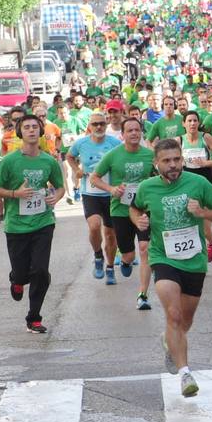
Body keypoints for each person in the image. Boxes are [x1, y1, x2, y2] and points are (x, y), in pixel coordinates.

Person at [131, 138, 212, 397]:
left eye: (177, 159)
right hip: (163, 257)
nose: (173, 165)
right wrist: (139, 221)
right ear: (156, 164)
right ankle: (185, 373)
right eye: (167, 161)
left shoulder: (198, 183)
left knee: (185, 320)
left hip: (194, 260)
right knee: (173, 315)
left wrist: (203, 213)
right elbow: (134, 208)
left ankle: (169, 342)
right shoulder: (147, 187)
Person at [0, 114, 66, 333]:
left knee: (41, 271)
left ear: (40, 132)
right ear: (20, 133)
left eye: (35, 127)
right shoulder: (10, 161)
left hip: (43, 222)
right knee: (22, 272)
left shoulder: (48, 160)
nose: (31, 130)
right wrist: (15, 193)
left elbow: (60, 187)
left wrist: (55, 198)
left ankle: (34, 317)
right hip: (16, 226)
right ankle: (17, 280)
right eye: (27, 127)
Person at [91, 117, 159, 310]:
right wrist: (111, 189)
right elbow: (94, 178)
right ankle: (126, 261)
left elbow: (161, 175)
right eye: (130, 130)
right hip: (120, 211)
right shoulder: (113, 155)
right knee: (128, 255)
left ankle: (143, 295)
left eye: (137, 130)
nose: (134, 133)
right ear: (123, 134)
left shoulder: (149, 155)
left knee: (145, 248)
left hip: (143, 210)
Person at [67, 113, 122, 284]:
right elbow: (69, 156)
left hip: (110, 193)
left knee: (111, 235)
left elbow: (122, 159)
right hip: (90, 192)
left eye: (102, 124)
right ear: (89, 126)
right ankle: (98, 255)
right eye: (95, 124)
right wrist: (76, 169)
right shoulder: (81, 143)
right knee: (94, 226)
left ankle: (110, 267)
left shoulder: (115, 143)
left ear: (106, 125)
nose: (99, 127)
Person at [179, 110, 212, 261]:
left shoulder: (205, 137)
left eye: (195, 121)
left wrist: (206, 162)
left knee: (205, 226)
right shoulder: (179, 141)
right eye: (189, 121)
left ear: (198, 123)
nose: (192, 123)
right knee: (188, 221)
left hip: (204, 181)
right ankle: (195, 254)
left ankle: (210, 241)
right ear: (184, 123)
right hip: (186, 183)